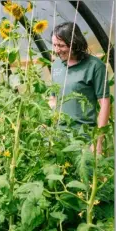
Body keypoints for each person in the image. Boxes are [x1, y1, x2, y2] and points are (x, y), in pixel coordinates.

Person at [49, 22, 110, 154]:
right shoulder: (56, 65)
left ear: (75, 44)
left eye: (61, 45)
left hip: (84, 138)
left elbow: (104, 104)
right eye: (54, 45)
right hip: (59, 137)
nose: (56, 50)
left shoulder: (95, 66)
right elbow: (53, 97)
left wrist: (98, 142)